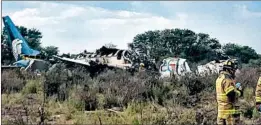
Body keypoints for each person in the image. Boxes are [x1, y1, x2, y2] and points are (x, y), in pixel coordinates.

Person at [216, 59, 243, 125]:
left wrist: (234, 88)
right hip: (228, 112)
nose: (234, 71)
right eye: (233, 69)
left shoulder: (219, 78)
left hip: (221, 111)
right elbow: (231, 95)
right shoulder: (227, 79)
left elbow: (224, 91)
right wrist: (239, 91)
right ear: (228, 69)